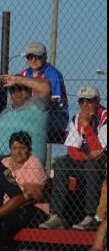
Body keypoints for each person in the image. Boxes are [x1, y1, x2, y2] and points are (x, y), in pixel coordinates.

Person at [41, 85, 105, 230]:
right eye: (81, 102)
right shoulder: (77, 118)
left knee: (92, 166)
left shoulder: (104, 117)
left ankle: (90, 216)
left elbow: (100, 152)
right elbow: (72, 150)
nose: (85, 105)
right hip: (87, 158)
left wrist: (87, 127)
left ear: (97, 101)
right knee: (63, 164)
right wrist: (88, 156)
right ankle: (57, 216)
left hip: (103, 163)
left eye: (89, 101)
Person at [17, 41, 69, 140]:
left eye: (38, 57)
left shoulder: (52, 74)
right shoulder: (24, 73)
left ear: (45, 57)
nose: (33, 60)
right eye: (30, 57)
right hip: (32, 114)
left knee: (29, 123)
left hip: (57, 116)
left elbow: (54, 101)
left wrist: (35, 108)